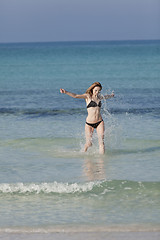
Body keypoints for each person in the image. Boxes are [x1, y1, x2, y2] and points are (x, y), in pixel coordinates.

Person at [60, 82, 114, 154]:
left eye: (99, 91)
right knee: (89, 144)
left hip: (99, 122)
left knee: (101, 142)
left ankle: (102, 162)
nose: (97, 92)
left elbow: (106, 96)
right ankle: (82, 154)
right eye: (96, 90)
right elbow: (76, 96)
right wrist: (65, 92)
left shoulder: (100, 97)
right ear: (92, 90)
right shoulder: (88, 96)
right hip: (89, 123)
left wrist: (111, 95)